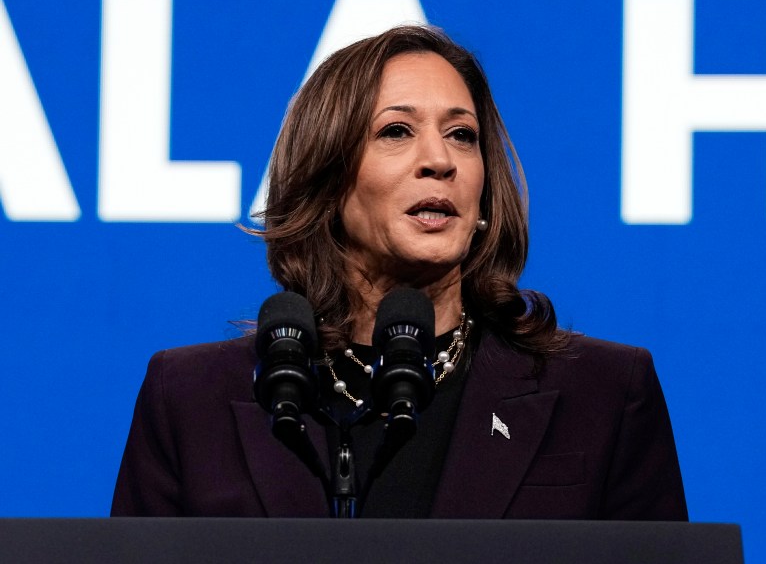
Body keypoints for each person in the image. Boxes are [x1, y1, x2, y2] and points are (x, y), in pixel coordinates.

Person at [111, 25, 688, 520]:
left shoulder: (605, 393)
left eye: (462, 135)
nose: (440, 160)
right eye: (396, 131)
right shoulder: (190, 402)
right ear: (327, 177)